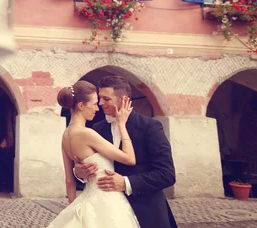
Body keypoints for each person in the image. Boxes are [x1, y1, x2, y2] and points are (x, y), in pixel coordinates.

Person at [74, 75, 177, 228]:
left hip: (147, 214)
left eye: (106, 99)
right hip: (107, 214)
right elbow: (91, 169)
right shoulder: (97, 129)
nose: (101, 103)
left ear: (123, 99)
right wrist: (80, 173)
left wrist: (126, 183)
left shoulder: (150, 127)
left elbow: (167, 175)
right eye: (100, 98)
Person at [47, 81, 140, 228]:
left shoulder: (65, 135)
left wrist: (75, 209)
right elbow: (129, 159)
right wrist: (122, 125)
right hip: (107, 202)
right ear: (81, 106)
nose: (97, 108)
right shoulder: (87, 134)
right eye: (95, 103)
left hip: (86, 200)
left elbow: (69, 181)